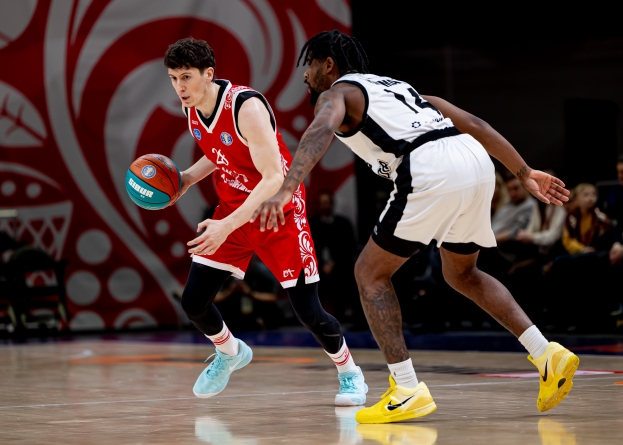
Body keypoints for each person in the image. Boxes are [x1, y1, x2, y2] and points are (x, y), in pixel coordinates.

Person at [252, 30, 578, 424]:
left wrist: (286, 189)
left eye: (309, 65)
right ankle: (546, 354)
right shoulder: (402, 90)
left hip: (428, 165)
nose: (305, 75)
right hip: (473, 161)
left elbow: (321, 129)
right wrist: (524, 172)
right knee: (463, 273)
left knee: (369, 273)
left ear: (329, 65)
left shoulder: (338, 93)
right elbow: (474, 123)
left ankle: (406, 389)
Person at [163, 38, 367, 405]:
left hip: (277, 210)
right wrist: (188, 178)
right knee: (193, 302)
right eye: (174, 78)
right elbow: (220, 150)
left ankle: (350, 373)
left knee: (308, 311)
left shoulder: (247, 107)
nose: (180, 87)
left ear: (208, 74)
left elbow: (274, 178)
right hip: (233, 209)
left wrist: (225, 225)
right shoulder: (191, 106)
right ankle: (230, 352)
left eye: (187, 77)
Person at [308, 190, 360, 324]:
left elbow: (350, 248)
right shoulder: (311, 224)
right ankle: (314, 317)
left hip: (340, 265)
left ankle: (345, 316)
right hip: (317, 266)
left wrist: (334, 263)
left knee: (346, 276)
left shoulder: (343, 223)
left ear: (332, 204)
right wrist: (321, 264)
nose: (324, 206)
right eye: (321, 203)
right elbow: (307, 248)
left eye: (326, 203)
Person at [561, 183, 611, 255]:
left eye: (593, 194)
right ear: (577, 199)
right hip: (578, 253)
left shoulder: (601, 217)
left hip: (597, 253)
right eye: (586, 195)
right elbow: (567, 240)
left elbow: (606, 239)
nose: (591, 198)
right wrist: (581, 249)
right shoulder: (571, 217)